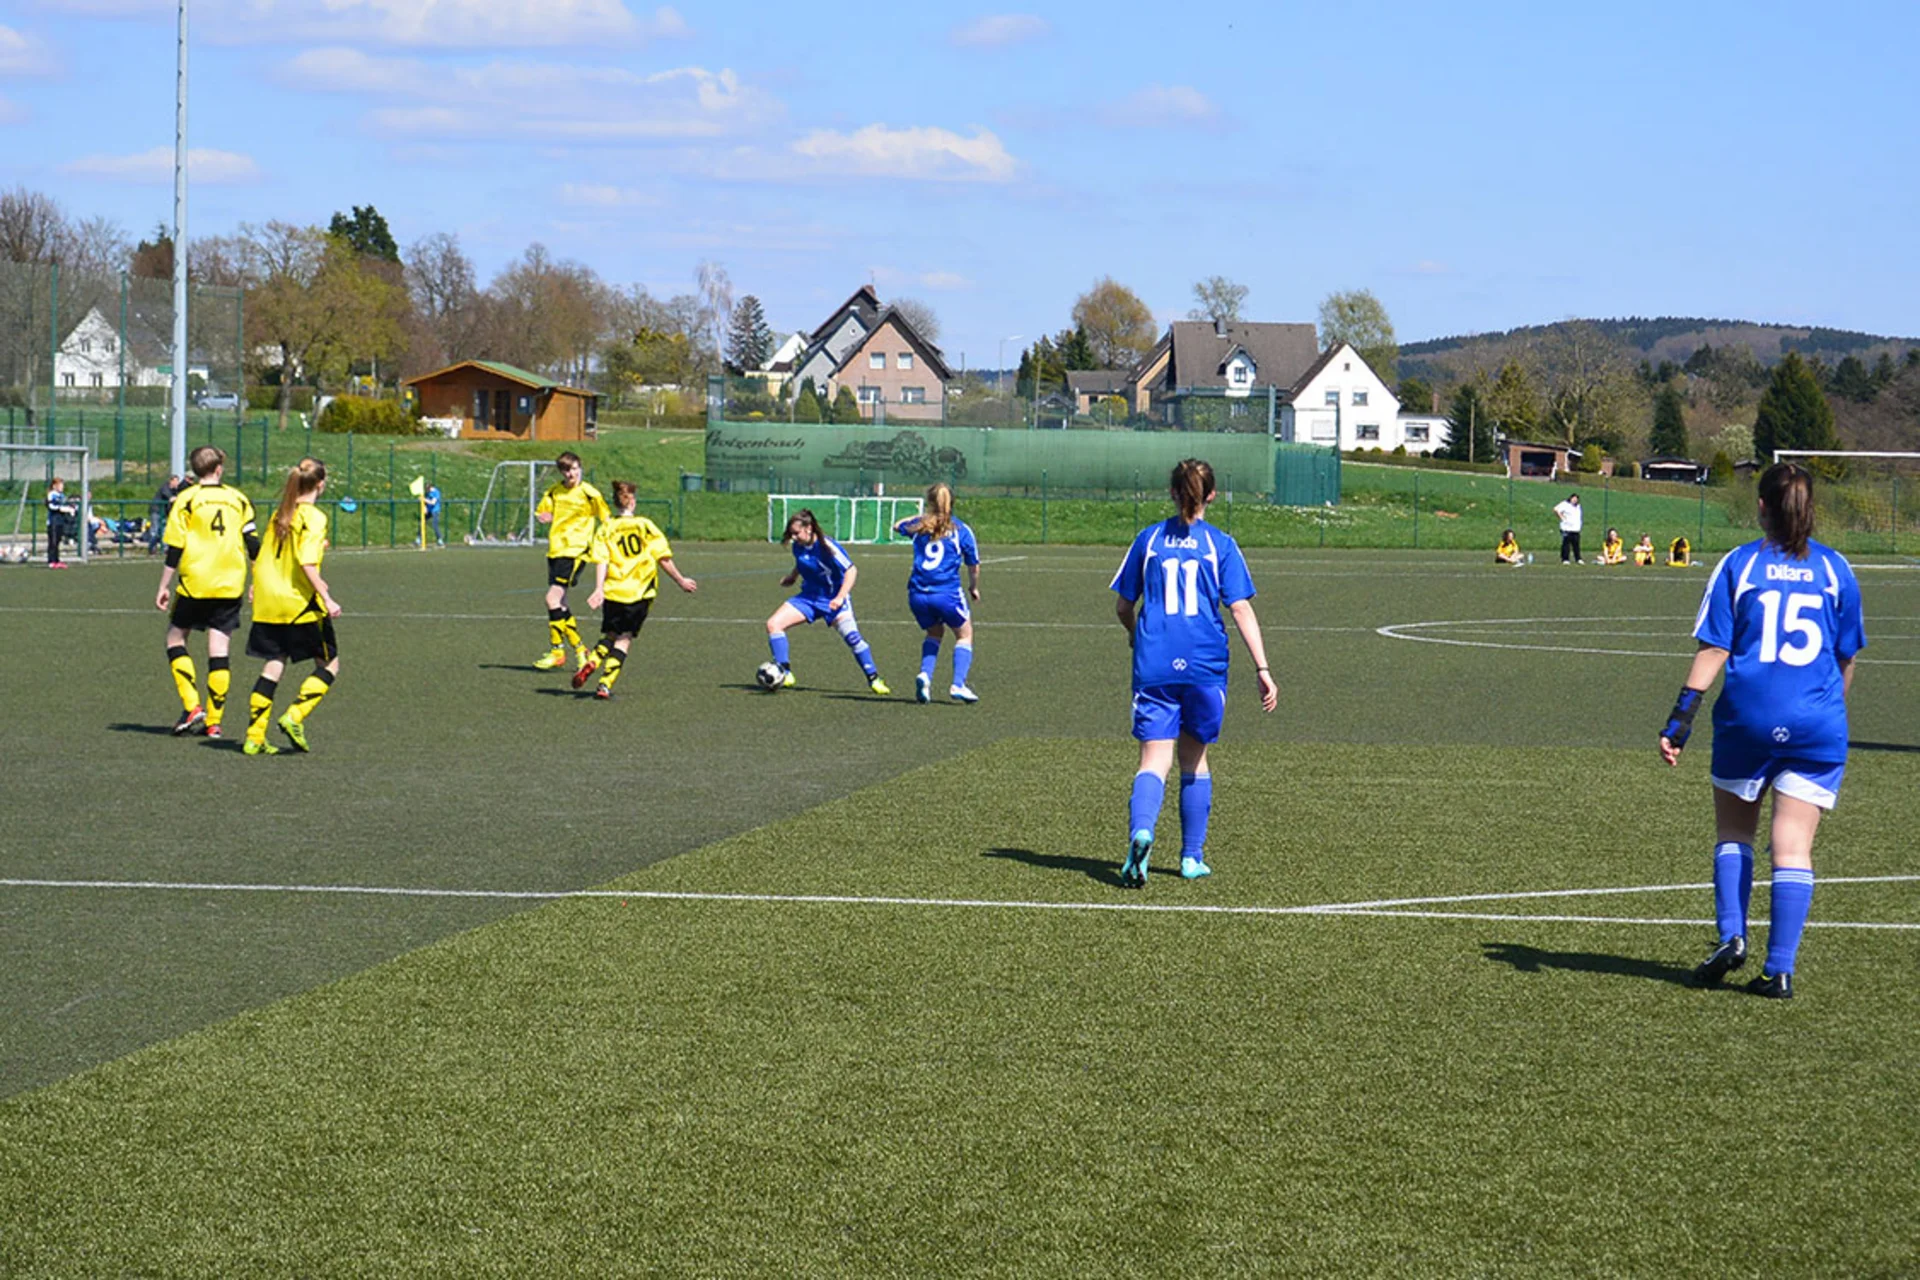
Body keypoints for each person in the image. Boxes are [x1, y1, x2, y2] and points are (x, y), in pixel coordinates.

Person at [1660, 463, 1865, 1000]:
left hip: (1747, 719)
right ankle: (1780, 970)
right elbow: (1846, 659)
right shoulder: (1836, 569)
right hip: (1818, 725)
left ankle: (1732, 936)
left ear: (1761, 507)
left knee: (1733, 833)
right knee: (1793, 848)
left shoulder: (1740, 564)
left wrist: (1680, 718)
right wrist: (1822, 714)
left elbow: (1714, 648)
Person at [1111, 459, 1278, 887]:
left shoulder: (1148, 540)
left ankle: (1142, 833)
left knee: (1154, 759)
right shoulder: (1220, 544)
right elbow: (1240, 606)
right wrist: (1262, 667)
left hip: (1155, 663)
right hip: (1204, 665)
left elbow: (1123, 605)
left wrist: (1135, 634)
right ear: (1212, 496)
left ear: (1172, 493)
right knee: (1195, 759)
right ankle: (1190, 857)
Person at [155, 446, 257, 738]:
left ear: (194, 470)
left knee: (175, 637)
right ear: (219, 469)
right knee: (219, 649)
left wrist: (163, 585)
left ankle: (192, 705)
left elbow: (175, 548)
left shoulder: (187, 499)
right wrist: (256, 581)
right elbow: (253, 544)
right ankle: (214, 722)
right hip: (230, 582)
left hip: (196, 582)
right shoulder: (238, 499)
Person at [243, 458, 342, 756]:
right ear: (321, 484)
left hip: (268, 601)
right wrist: (326, 596)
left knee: (274, 662)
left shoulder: (280, 513)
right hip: (299, 603)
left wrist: (255, 585)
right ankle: (294, 716)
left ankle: (254, 737)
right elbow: (306, 561)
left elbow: (265, 555)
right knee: (330, 664)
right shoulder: (314, 517)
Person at [574, 480, 697, 699]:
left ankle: (592, 661)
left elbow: (601, 560)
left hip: (613, 592)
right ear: (632, 502)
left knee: (610, 634)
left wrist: (598, 589)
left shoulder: (606, 528)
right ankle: (605, 684)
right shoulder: (645, 525)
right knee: (624, 639)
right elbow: (663, 558)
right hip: (639, 593)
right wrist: (680, 580)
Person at [763, 508, 890, 695]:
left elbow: (851, 571)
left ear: (809, 528)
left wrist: (840, 597)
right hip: (809, 598)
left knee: (853, 639)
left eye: (796, 533)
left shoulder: (827, 546)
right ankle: (785, 672)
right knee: (773, 624)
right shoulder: (797, 546)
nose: (793, 537)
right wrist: (793, 576)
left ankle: (874, 678)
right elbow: (802, 561)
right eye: (791, 534)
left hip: (833, 599)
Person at [894, 482, 981, 703]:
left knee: (934, 633)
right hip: (947, 594)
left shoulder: (918, 527)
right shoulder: (961, 530)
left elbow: (897, 526)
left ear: (929, 503)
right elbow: (973, 565)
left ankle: (925, 675)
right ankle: (958, 685)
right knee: (964, 635)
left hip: (918, 594)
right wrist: (973, 587)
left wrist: (923, 516)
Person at [532, 451, 610, 672]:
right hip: (556, 550)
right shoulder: (554, 492)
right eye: (567, 469)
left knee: (551, 598)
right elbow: (542, 512)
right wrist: (543, 517)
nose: (572, 473)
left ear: (580, 468)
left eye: (575, 468)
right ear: (561, 472)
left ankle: (558, 651)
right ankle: (580, 650)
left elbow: (606, 520)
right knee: (560, 604)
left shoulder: (589, 493)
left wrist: (605, 544)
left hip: (576, 551)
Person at [44, 477, 77, 568]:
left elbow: (66, 505)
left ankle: (57, 560)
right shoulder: (51, 494)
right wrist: (61, 509)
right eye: (60, 485)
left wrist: (71, 509)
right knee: (53, 541)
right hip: (53, 521)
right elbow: (51, 506)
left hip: (60, 521)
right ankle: (51, 561)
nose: (62, 487)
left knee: (58, 541)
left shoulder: (62, 495)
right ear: (54, 486)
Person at [147, 475, 183, 555]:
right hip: (156, 511)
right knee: (154, 530)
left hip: (164, 513)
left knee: (164, 531)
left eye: (178, 481)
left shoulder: (174, 490)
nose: (177, 483)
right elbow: (171, 499)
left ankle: (165, 549)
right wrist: (181, 498)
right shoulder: (165, 487)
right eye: (176, 481)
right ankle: (152, 548)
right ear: (171, 481)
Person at [1552, 492, 1583, 563]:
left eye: (1576, 499)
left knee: (1576, 545)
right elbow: (1556, 509)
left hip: (1576, 529)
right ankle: (1565, 559)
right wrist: (1562, 517)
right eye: (1573, 499)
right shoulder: (1565, 504)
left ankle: (1578, 558)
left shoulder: (1578, 506)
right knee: (1566, 544)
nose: (1575, 500)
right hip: (1567, 528)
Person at [424, 482, 443, 547]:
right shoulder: (427, 493)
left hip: (435, 511)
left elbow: (433, 502)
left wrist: (424, 500)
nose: (427, 490)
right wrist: (425, 507)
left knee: (435, 525)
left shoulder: (436, 492)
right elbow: (426, 502)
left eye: (428, 489)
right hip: (429, 510)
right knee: (422, 523)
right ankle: (418, 539)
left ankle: (440, 540)